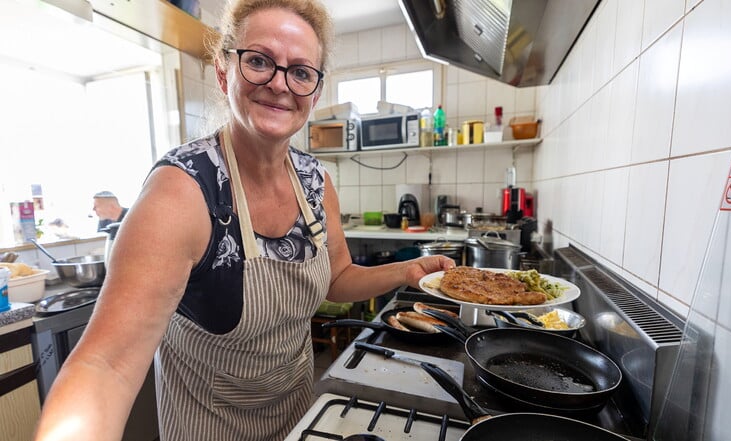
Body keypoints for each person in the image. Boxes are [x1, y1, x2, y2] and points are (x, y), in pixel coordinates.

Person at [33, 1, 455, 440]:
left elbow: (337, 277)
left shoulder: (316, 182)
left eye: (300, 71)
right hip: (208, 426)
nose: (279, 84)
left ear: (313, 89)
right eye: (258, 61)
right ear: (223, 72)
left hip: (298, 415)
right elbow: (106, 366)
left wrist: (405, 272)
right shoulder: (182, 191)